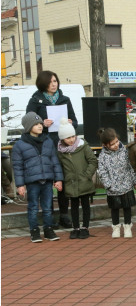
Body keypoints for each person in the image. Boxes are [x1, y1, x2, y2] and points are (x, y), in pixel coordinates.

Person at [26, 70, 78, 229]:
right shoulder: (36, 100)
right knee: (48, 182)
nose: (53, 84)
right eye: (50, 82)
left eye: (55, 81)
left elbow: (75, 122)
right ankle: (49, 216)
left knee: (63, 180)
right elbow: (28, 123)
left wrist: (70, 123)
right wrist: (42, 124)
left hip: (63, 146)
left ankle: (64, 214)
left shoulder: (65, 99)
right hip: (44, 146)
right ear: (43, 84)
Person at [12, 112, 63, 242]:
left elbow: (54, 161)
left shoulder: (48, 141)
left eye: (40, 123)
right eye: (36, 124)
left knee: (47, 207)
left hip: (47, 180)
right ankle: (34, 231)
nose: (40, 126)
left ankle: (48, 229)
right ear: (29, 126)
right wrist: (20, 185)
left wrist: (58, 179)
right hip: (32, 181)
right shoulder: (20, 144)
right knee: (33, 207)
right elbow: (17, 167)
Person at [56, 118, 97, 239]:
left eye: (73, 136)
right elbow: (59, 166)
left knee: (85, 205)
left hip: (84, 181)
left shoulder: (82, 145)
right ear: (62, 139)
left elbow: (92, 161)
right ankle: (75, 227)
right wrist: (61, 179)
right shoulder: (60, 152)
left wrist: (87, 175)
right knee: (73, 206)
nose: (71, 139)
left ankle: (85, 227)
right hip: (71, 183)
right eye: (68, 138)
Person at [97, 127, 136, 239]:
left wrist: (134, 181)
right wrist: (108, 185)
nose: (115, 145)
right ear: (105, 145)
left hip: (126, 185)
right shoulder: (103, 156)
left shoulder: (125, 151)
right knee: (114, 208)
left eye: (116, 142)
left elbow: (131, 167)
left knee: (127, 207)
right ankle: (115, 227)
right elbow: (102, 172)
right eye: (112, 144)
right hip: (113, 188)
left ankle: (128, 227)